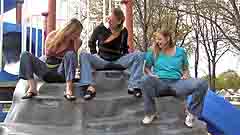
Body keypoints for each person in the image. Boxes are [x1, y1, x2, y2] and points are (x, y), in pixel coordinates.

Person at [141, 31, 208, 128]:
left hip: (177, 83)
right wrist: (152, 75)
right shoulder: (153, 51)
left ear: (167, 38)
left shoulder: (181, 52)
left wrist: (185, 75)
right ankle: (150, 113)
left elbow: (185, 69)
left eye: (160, 39)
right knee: (145, 79)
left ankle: (191, 113)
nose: (157, 42)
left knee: (202, 83)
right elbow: (146, 68)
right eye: (156, 39)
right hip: (160, 83)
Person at [79, 8, 144, 100]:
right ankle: (89, 87)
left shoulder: (124, 31)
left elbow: (125, 48)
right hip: (102, 60)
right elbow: (91, 42)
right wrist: (94, 54)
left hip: (118, 61)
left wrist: (128, 58)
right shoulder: (100, 28)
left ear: (119, 21)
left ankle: (134, 86)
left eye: (111, 19)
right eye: (108, 18)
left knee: (139, 54)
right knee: (83, 55)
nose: (108, 20)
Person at [19, 18, 83, 101]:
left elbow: (73, 60)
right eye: (77, 33)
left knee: (70, 54)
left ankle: (68, 90)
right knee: (25, 55)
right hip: (47, 71)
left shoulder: (77, 41)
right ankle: (32, 88)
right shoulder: (52, 36)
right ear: (70, 30)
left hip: (62, 73)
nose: (78, 36)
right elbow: (47, 55)